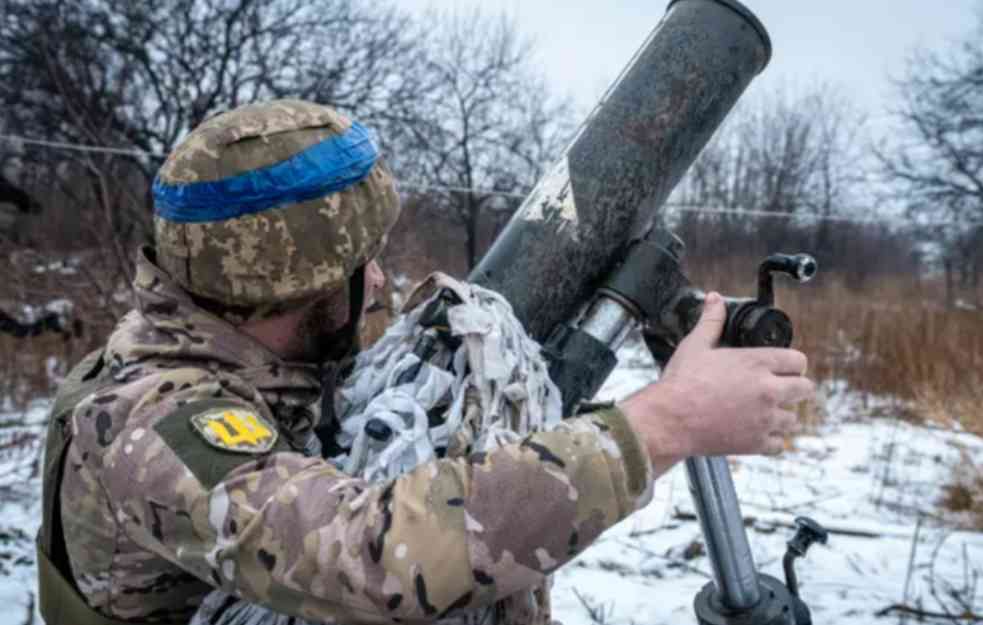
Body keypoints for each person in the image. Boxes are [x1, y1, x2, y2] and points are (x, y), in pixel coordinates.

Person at [36, 99, 814, 625]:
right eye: (359, 266)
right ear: (288, 286)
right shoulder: (151, 421)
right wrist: (663, 423)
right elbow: (366, 554)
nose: (378, 282)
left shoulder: (241, 353)